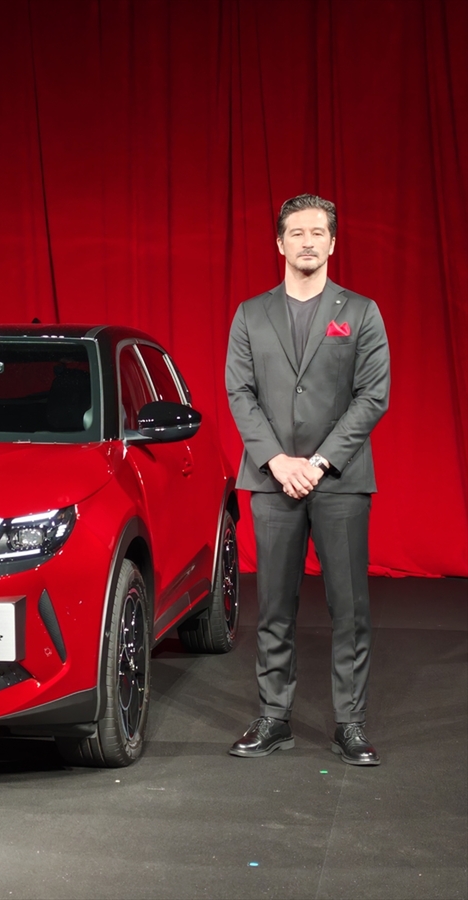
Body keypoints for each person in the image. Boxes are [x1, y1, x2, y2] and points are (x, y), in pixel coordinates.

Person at [225, 194, 390, 765]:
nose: (308, 242)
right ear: (280, 243)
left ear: (333, 243)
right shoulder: (250, 314)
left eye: (318, 232)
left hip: (340, 479)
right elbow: (239, 393)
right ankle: (274, 718)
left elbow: (373, 396)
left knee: (350, 608)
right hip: (272, 482)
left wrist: (318, 462)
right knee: (274, 605)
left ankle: (351, 724)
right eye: (297, 233)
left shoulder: (361, 312)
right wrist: (277, 461)